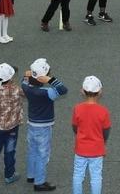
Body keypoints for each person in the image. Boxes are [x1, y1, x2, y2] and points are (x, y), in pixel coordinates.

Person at [22, 58, 68, 192]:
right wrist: (50, 80)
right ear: (43, 77)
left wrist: (28, 74)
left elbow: (24, 79)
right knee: (42, 154)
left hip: (32, 125)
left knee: (32, 150)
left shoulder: (26, 87)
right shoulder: (46, 93)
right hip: (44, 127)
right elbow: (62, 89)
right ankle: (39, 182)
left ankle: (31, 175)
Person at [72, 76, 112, 194]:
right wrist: (102, 142)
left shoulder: (77, 109)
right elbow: (106, 131)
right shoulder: (103, 111)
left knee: (78, 174)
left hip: (80, 148)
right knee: (96, 177)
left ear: (82, 91)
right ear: (99, 92)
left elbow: (75, 127)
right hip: (97, 149)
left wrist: (79, 137)